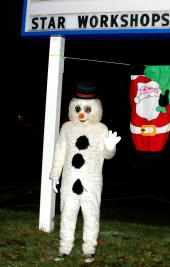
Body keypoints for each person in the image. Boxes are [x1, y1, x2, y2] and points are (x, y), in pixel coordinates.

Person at [50, 82, 121, 263]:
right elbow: (60, 151)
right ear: (73, 107)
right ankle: (64, 248)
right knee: (67, 214)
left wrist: (110, 147)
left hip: (92, 182)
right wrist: (55, 175)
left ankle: (89, 249)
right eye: (78, 108)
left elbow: (107, 155)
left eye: (88, 109)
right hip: (69, 181)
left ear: (96, 108)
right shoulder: (67, 128)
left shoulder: (101, 129)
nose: (82, 114)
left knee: (91, 216)